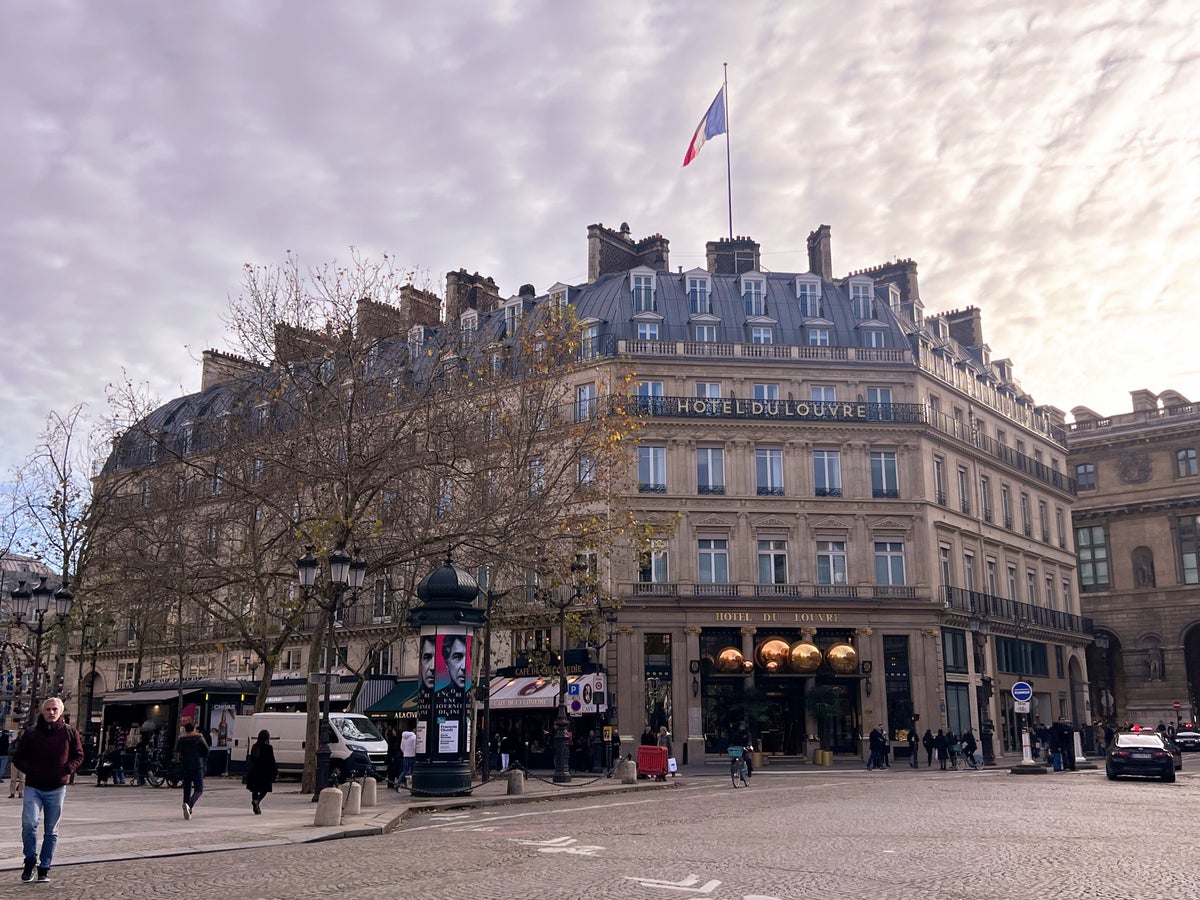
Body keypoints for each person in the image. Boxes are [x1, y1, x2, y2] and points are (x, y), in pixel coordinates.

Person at [11, 697, 84, 884]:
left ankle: (44, 867)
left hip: (57, 787)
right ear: (42, 712)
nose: (51, 713)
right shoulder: (31, 733)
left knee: (51, 830)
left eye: (54, 709)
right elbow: (18, 757)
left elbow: (79, 755)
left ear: (60, 712)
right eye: (47, 710)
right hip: (34, 786)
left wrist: (67, 769)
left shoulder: (69, 732)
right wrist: (31, 770)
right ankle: (30, 860)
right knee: (29, 824)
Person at [176, 719, 209, 820]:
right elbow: (206, 749)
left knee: (187, 789)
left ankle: (187, 809)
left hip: (186, 765)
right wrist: (201, 758)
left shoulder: (182, 739)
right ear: (194, 728)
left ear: (185, 730)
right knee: (199, 789)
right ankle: (189, 805)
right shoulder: (199, 738)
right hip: (197, 765)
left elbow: (178, 750)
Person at [243, 729, 278, 815]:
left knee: (254, 789)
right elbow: (271, 760)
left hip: (254, 771)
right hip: (265, 772)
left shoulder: (255, 746)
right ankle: (257, 801)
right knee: (265, 789)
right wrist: (275, 771)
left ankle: (255, 801)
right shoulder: (269, 748)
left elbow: (251, 758)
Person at [399, 722, 416, 788]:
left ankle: (399, 783)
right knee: (412, 771)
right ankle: (412, 785)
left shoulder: (403, 737)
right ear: (414, 729)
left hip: (405, 755)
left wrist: (405, 752)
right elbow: (415, 747)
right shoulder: (414, 737)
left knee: (404, 770)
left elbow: (401, 747)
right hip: (412, 755)